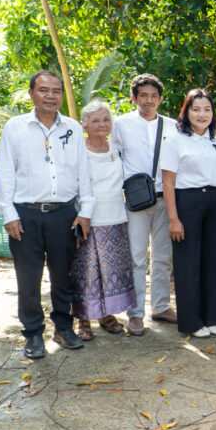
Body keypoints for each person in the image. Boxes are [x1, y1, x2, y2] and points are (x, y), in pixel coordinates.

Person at [0, 70, 94, 358]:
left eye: (56, 91)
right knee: (28, 279)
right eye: (44, 90)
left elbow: (83, 172)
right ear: (32, 93)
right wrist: (8, 214)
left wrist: (86, 211)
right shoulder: (15, 128)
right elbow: (5, 172)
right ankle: (33, 333)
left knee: (64, 277)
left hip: (64, 215)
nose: (51, 96)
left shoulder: (73, 128)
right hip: (26, 216)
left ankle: (63, 328)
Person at [111, 74, 177, 335]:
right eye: (143, 95)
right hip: (135, 200)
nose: (148, 100)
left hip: (166, 198)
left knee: (163, 258)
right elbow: (113, 157)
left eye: (153, 96)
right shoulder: (121, 124)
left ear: (160, 99)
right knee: (137, 259)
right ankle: (135, 314)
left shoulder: (172, 126)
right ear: (134, 98)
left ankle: (161, 306)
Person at [161, 89, 216, 338]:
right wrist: (173, 219)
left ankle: (213, 317)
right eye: (196, 109)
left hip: (213, 200)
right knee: (188, 263)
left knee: (214, 260)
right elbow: (168, 182)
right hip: (186, 201)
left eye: (207, 109)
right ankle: (191, 321)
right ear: (186, 112)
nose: (202, 114)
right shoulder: (175, 139)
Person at [71, 101, 136, 340]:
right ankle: (83, 319)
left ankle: (107, 315)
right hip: (87, 218)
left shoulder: (117, 147)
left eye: (106, 119)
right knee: (86, 271)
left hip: (116, 216)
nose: (102, 124)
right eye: (95, 120)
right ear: (84, 125)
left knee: (111, 271)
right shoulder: (78, 150)